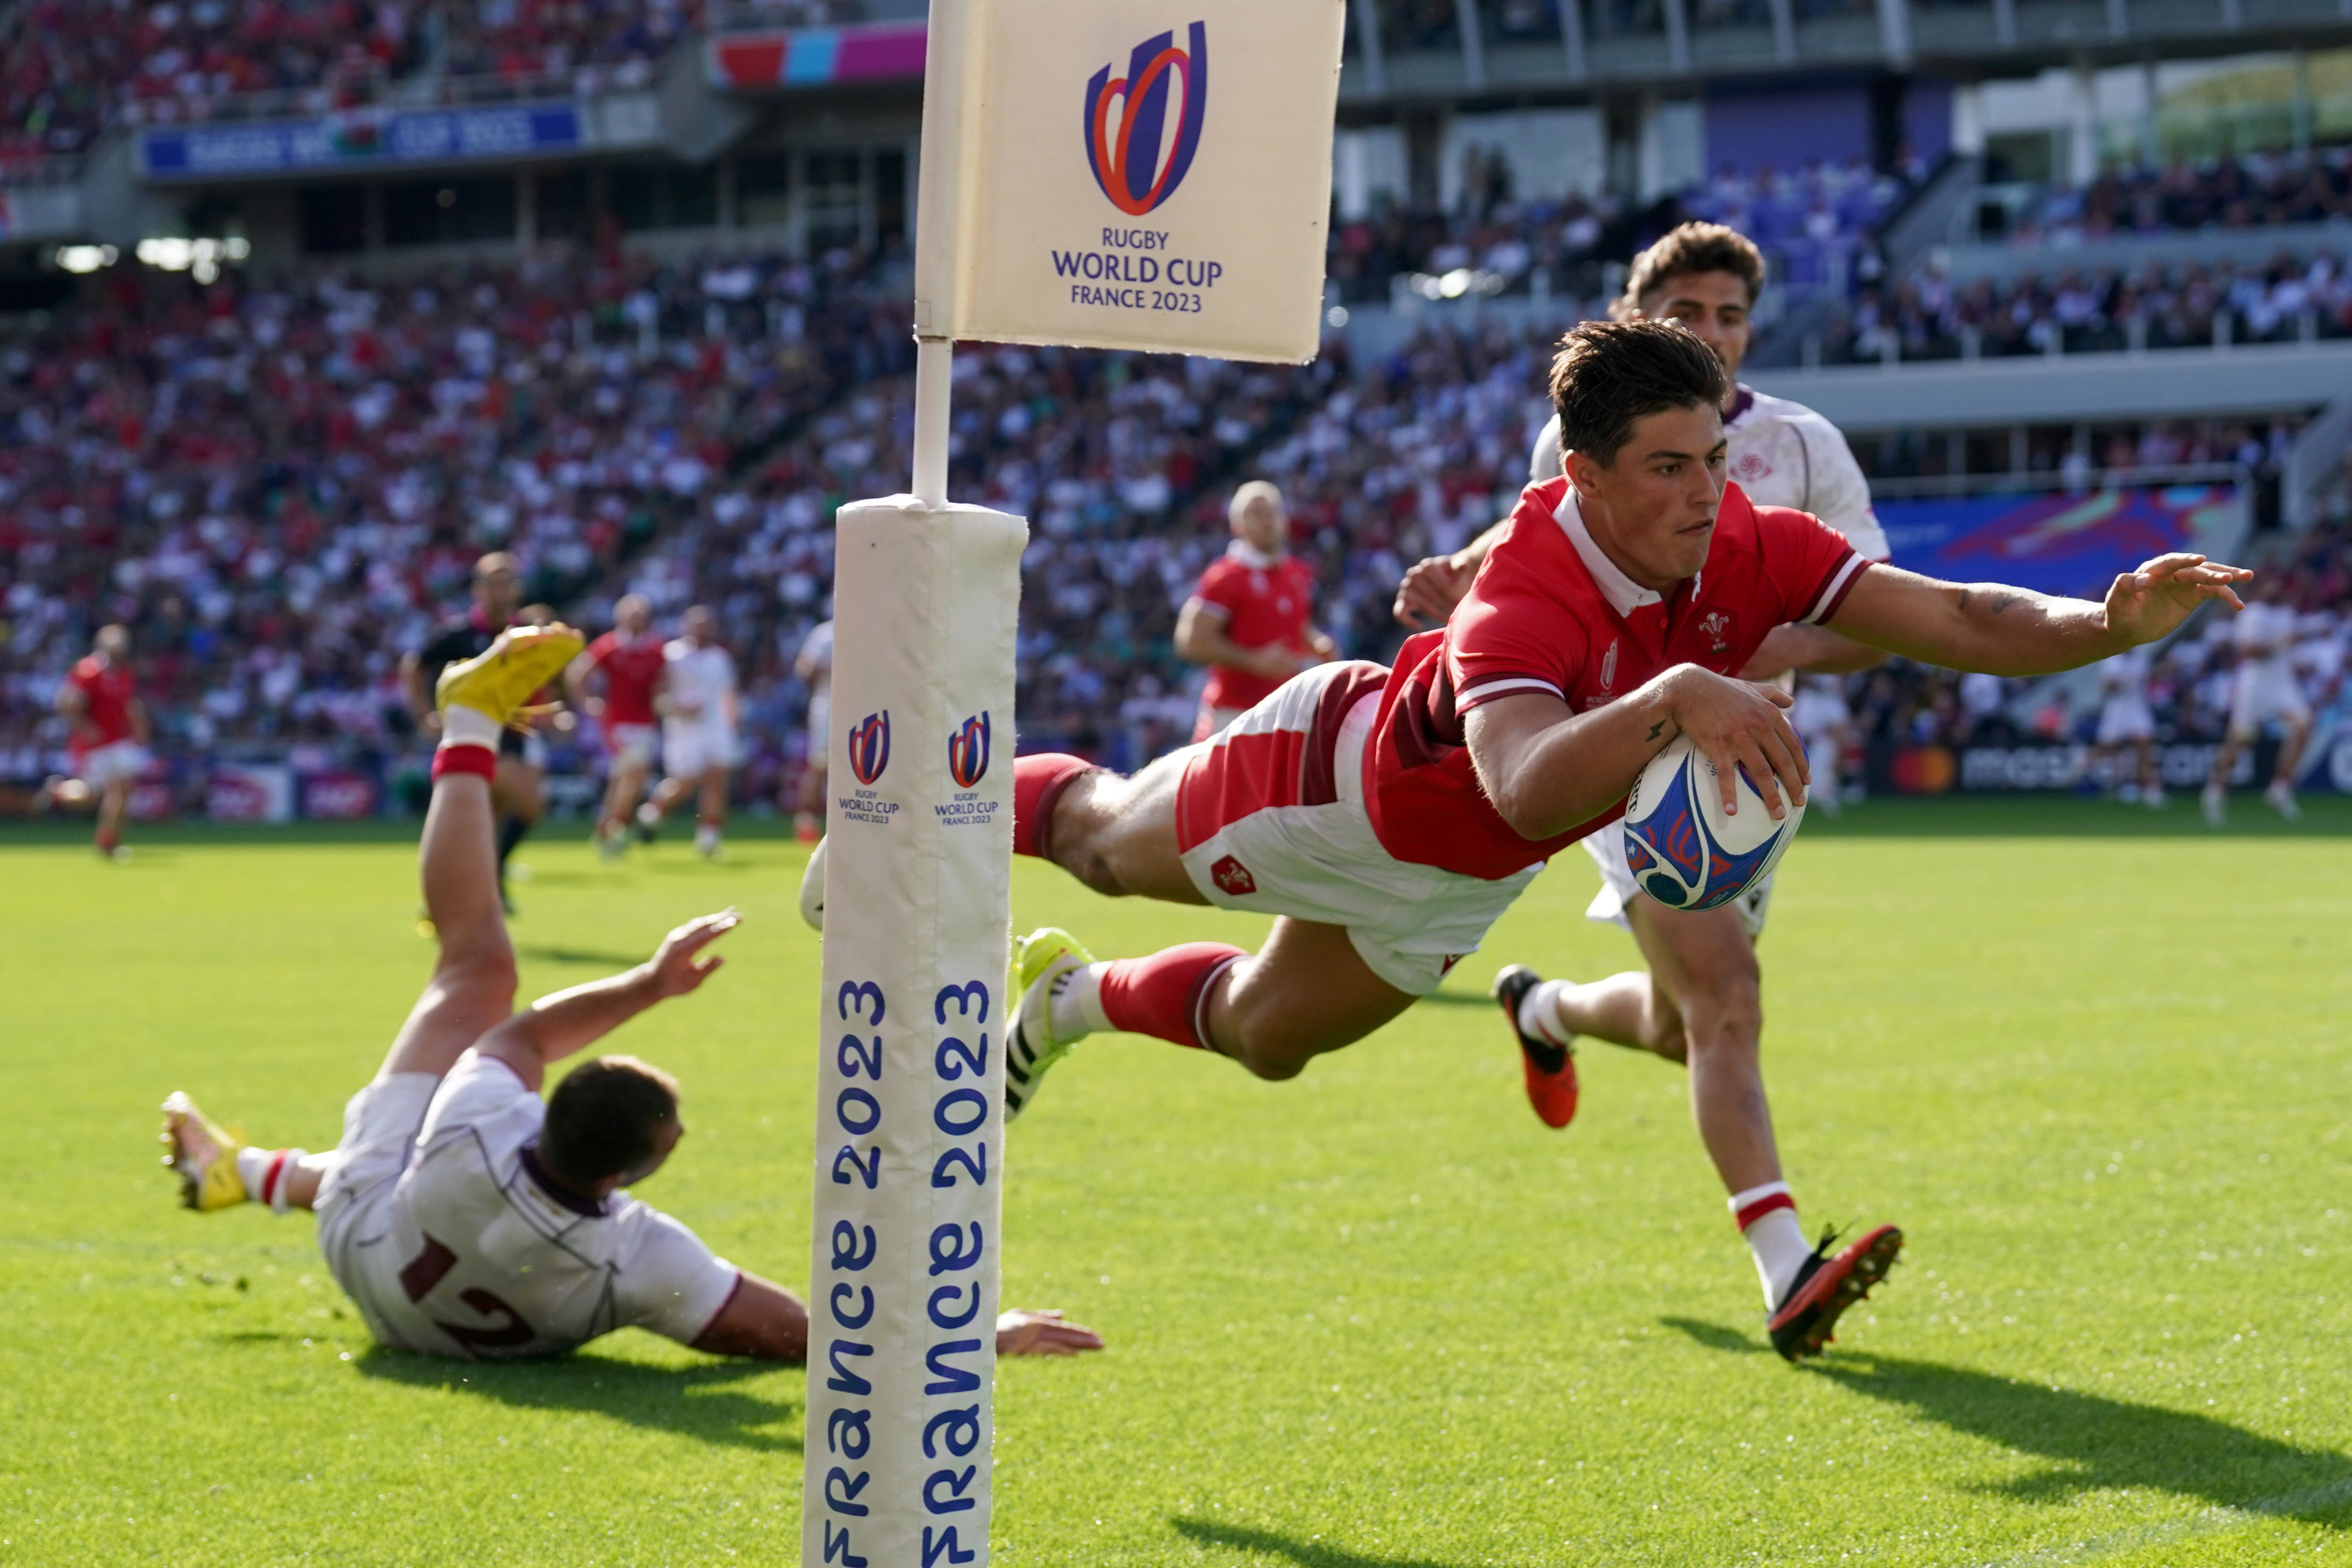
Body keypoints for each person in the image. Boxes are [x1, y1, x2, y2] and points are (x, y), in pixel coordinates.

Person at [989, 321, 2248, 1360]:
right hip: (1332, 787)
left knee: (1267, 1042)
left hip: (1451, 882)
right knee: (1098, 838)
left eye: (1712, 457)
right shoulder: (1522, 588)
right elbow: (1528, 786)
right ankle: (937, 799)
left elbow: (1960, 616)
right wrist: (1671, 697)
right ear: (1583, 475)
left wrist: (2106, 619)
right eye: (1667, 467)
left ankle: (1069, 1000)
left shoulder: (1746, 539)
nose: (1705, 492)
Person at [160, 624, 1101, 1367]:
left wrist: (650, 986)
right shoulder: (640, 1261)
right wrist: (983, 1338)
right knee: (415, 1123)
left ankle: (467, 724)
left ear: (543, 1110)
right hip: (404, 1305)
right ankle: (238, 1173)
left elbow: (518, 1029)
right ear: (629, 1178)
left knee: (475, 970)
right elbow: (812, 1340)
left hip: (371, 1247)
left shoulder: (476, 1122)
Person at [402, 554, 542, 908]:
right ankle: (480, 881)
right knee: (528, 804)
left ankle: (469, 891)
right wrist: (424, 715)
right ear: (479, 589)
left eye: (507, 581)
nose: (502, 589)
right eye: (494, 581)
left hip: (512, 735)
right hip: (471, 738)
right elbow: (414, 666)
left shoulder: (522, 633)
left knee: (481, 823)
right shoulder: (460, 632)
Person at [1173, 480, 1336, 741]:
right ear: (1237, 525)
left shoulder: (1296, 571)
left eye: (1272, 511)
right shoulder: (1224, 576)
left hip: (1288, 711)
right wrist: (1253, 660)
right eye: (1257, 514)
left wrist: (1316, 643)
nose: (1267, 520)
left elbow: (1296, 624)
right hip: (1235, 715)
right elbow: (1190, 641)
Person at [567, 595, 668, 861]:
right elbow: (578, 674)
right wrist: (588, 703)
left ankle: (608, 828)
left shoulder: (654, 650)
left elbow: (664, 683)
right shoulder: (610, 646)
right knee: (631, 774)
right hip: (617, 723)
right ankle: (614, 830)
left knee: (629, 782)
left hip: (645, 723)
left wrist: (663, 701)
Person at [2203, 581, 2311, 825]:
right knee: (2240, 740)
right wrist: (2279, 643)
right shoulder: (2253, 614)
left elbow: (2292, 647)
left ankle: (2280, 788)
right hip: (2255, 687)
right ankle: (2215, 791)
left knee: (2303, 727)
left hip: (2283, 684)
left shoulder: (2287, 613)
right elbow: (2249, 651)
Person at [639, 606, 740, 860]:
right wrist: (678, 709)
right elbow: (657, 693)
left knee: (716, 780)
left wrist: (732, 723)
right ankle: (651, 816)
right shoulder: (672, 655)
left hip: (716, 727)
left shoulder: (720, 658)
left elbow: (728, 695)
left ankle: (709, 839)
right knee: (683, 785)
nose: (702, 629)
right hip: (683, 730)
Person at [48, 624, 150, 862]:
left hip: (116, 741)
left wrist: (138, 725)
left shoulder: (123, 672)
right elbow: (66, 703)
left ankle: (109, 841)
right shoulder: (88, 671)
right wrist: (85, 727)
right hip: (93, 745)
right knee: (91, 796)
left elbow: (128, 703)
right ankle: (57, 792)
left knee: (123, 788)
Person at [2090, 646, 2163, 807]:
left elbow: (2148, 679)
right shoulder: (2112, 660)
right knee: (2106, 748)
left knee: (2145, 747)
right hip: (2117, 710)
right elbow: (2107, 688)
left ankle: (2151, 791)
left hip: (2137, 707)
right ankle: (2079, 770)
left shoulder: (2141, 659)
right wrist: (2116, 684)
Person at [793, 617, 834, 842]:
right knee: (820, 763)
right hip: (829, 703)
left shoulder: (869, 630)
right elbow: (805, 670)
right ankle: (806, 820)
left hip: (862, 705)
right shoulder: (826, 634)